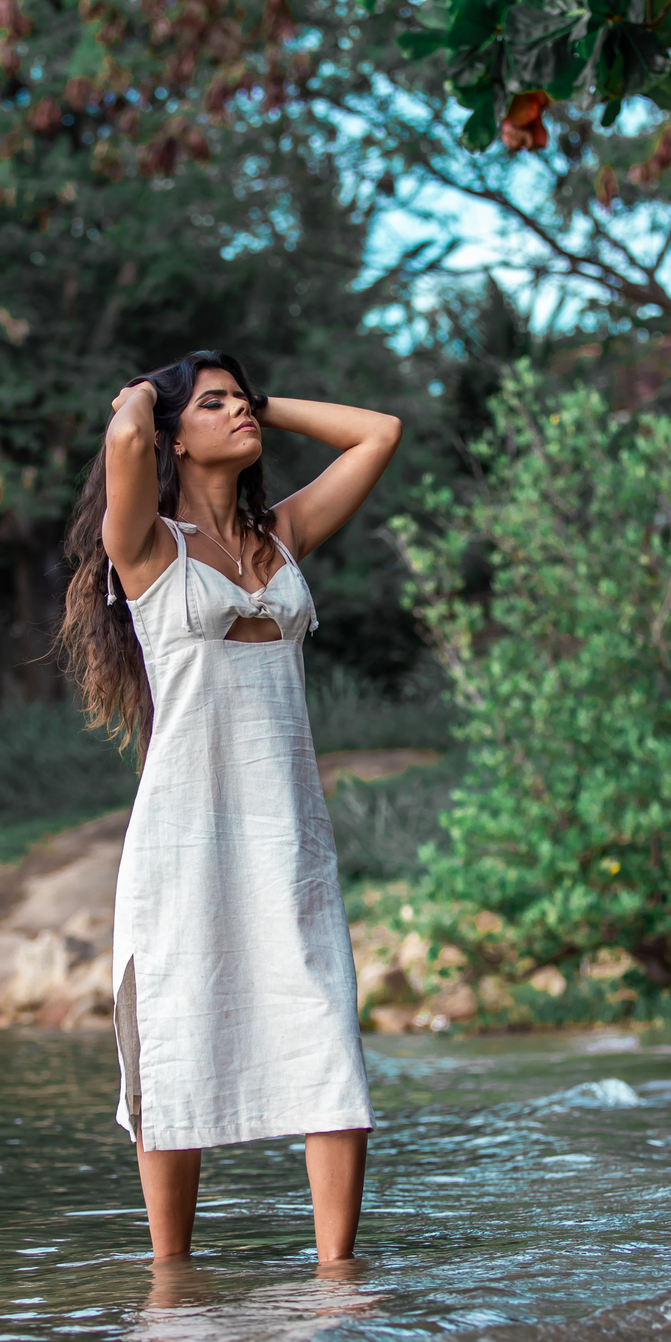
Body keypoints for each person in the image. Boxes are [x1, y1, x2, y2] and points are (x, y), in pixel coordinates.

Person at [59, 350, 402, 1265]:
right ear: (176, 432)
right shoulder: (145, 548)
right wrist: (148, 391)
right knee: (175, 1047)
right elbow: (127, 433)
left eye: (242, 400)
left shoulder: (282, 536)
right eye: (215, 404)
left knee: (326, 1042)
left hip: (287, 838)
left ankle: (339, 1282)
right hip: (183, 843)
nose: (240, 412)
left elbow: (381, 433)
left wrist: (259, 403)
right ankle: (172, 1284)